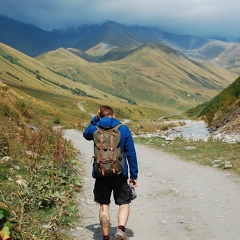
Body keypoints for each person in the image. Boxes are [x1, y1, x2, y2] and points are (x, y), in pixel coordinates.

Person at [83, 105, 138, 240]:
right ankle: (120, 229)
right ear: (113, 115)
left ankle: (106, 237)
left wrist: (95, 119)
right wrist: (133, 175)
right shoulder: (123, 129)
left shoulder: (95, 129)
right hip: (120, 173)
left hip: (101, 173)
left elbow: (85, 135)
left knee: (104, 205)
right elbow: (131, 153)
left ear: (100, 116)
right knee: (124, 202)